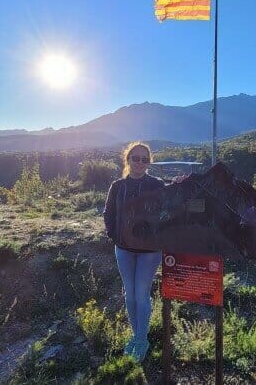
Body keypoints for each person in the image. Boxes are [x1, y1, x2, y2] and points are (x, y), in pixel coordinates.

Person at [102, 141, 185, 362]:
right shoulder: (118, 186)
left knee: (141, 293)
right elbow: (108, 213)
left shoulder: (157, 185)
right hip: (123, 250)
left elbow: (173, 205)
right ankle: (136, 334)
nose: (140, 162)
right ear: (128, 159)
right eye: (136, 158)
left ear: (149, 162)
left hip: (149, 251)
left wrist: (181, 185)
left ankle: (141, 340)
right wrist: (114, 236)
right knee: (129, 294)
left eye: (144, 159)